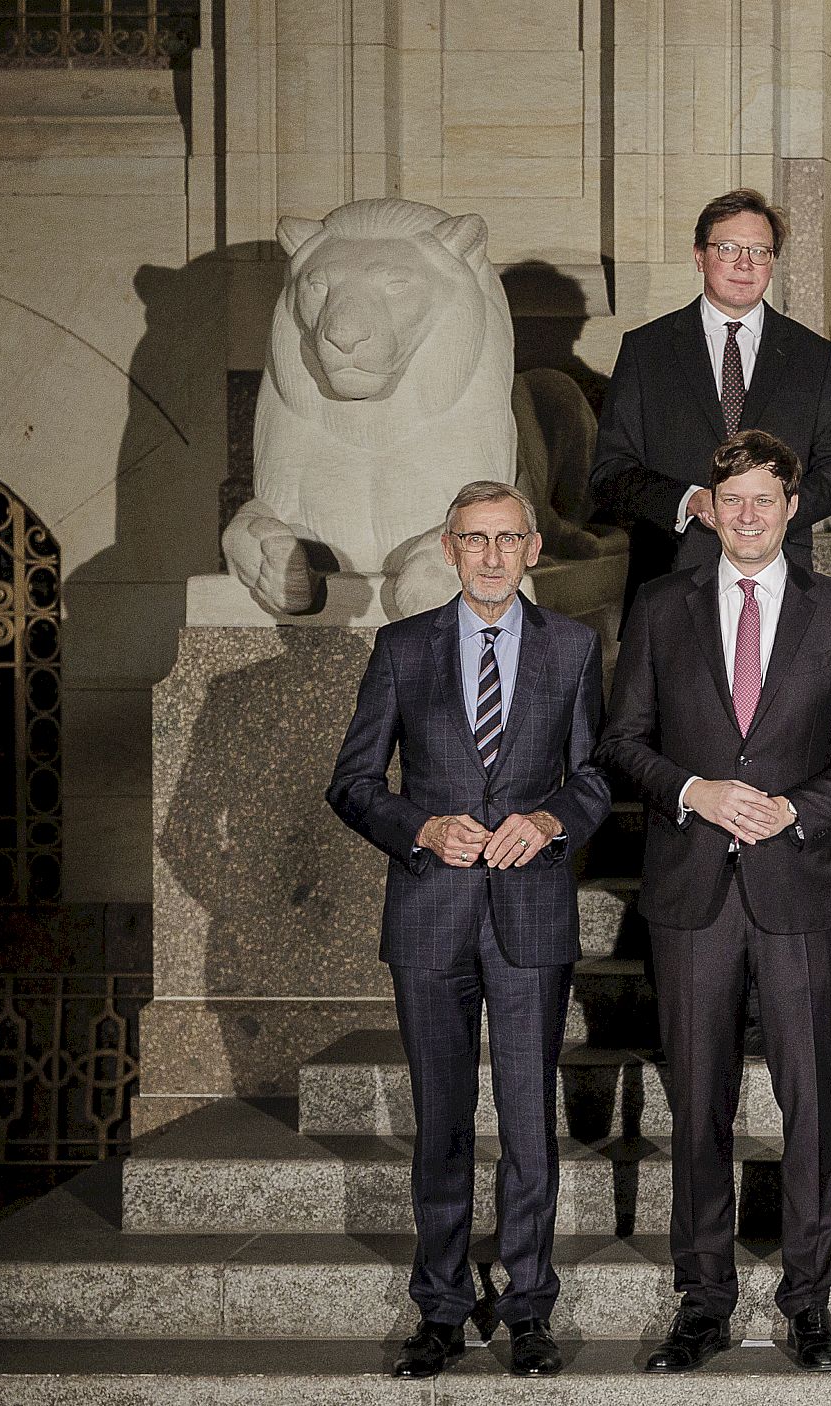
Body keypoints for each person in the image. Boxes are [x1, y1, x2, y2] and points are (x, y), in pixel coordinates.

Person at [595, 429, 831, 1374]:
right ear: (710, 510)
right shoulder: (659, 606)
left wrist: (793, 811)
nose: (750, 515)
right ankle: (703, 1299)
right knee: (698, 1102)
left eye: (766, 499)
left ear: (793, 506)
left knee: (812, 1103)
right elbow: (622, 740)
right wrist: (693, 793)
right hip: (692, 890)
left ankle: (809, 1299)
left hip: (801, 888)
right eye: (733, 502)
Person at [326, 482, 612, 1380]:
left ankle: (528, 1309)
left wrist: (552, 819)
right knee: (441, 1124)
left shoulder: (571, 648)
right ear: (449, 549)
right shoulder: (402, 649)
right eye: (473, 539)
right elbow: (354, 780)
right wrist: (420, 827)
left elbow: (597, 775)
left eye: (507, 540)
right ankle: (442, 1309)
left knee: (529, 1126)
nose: (491, 556)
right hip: (430, 916)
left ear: (534, 549)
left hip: (531, 916)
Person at [592, 187, 831, 585]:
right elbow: (611, 471)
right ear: (700, 256)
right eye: (728, 249)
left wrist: (777, 509)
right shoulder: (647, 349)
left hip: (780, 571)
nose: (744, 264)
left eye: (759, 252)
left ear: (772, 263)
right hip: (672, 570)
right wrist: (689, 501)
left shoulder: (813, 356)